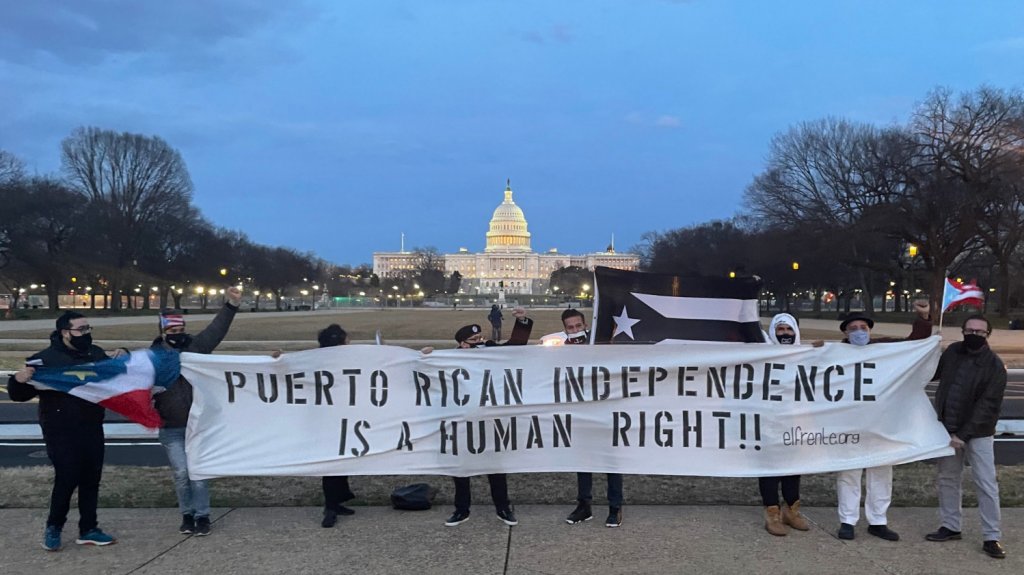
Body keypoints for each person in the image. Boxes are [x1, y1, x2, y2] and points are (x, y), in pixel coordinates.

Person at [8, 312, 118, 551]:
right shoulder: (45, 361)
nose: (86, 334)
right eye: (81, 330)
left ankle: (88, 528)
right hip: (60, 430)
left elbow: (114, 377)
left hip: (91, 426)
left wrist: (121, 359)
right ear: (65, 333)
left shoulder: (95, 354)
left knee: (91, 479)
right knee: (67, 478)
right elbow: (19, 395)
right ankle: (54, 527)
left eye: (89, 329)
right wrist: (18, 379)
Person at [835, 300, 932, 542]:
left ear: (870, 331)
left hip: (882, 423)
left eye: (863, 328)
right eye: (854, 328)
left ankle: (878, 520)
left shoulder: (884, 349)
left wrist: (923, 319)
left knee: (881, 472)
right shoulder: (835, 353)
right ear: (846, 333)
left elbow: (913, 345)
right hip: (849, 422)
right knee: (849, 473)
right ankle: (847, 520)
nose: (859, 332)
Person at [429, 307, 533, 527]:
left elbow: (516, 347)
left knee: (495, 467)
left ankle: (503, 507)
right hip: (462, 422)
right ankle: (461, 509)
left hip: (490, 420)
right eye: (474, 339)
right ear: (463, 344)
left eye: (481, 337)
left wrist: (522, 321)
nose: (481, 341)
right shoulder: (449, 359)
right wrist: (425, 355)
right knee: (461, 467)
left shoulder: (490, 350)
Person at [153, 287, 241, 537]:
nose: (178, 335)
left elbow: (216, 330)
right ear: (162, 332)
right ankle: (186, 514)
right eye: (172, 331)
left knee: (199, 473)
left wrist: (231, 306)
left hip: (198, 425)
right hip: (171, 428)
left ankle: (202, 516)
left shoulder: (196, 348)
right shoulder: (152, 359)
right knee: (182, 473)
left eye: (180, 330)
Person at [925, 315, 1007, 559]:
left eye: (980, 332)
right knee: (948, 478)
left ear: (987, 335)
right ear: (962, 331)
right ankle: (951, 526)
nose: (974, 335)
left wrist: (963, 434)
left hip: (977, 433)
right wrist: (926, 344)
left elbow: (988, 405)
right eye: (970, 330)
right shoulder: (952, 352)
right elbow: (931, 372)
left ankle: (992, 536)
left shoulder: (994, 365)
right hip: (947, 428)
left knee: (985, 483)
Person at [560, 309, 625, 528]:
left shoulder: (601, 344)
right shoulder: (561, 350)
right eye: (570, 327)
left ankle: (615, 507)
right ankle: (584, 505)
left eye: (578, 326)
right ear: (565, 330)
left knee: (611, 461)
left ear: (586, 325)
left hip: (606, 411)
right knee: (582, 461)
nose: (575, 330)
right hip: (580, 413)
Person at [759, 313, 811, 536]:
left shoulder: (805, 355)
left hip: (795, 419)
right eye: (780, 330)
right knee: (770, 468)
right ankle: (772, 514)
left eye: (789, 329)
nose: (785, 334)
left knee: (793, 467)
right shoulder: (761, 354)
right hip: (768, 421)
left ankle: (791, 510)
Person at [316, 324, 358, 528]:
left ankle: (337, 501)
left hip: (344, 417)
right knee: (332, 463)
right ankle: (331, 506)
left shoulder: (319, 358)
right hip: (328, 420)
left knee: (342, 461)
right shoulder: (318, 361)